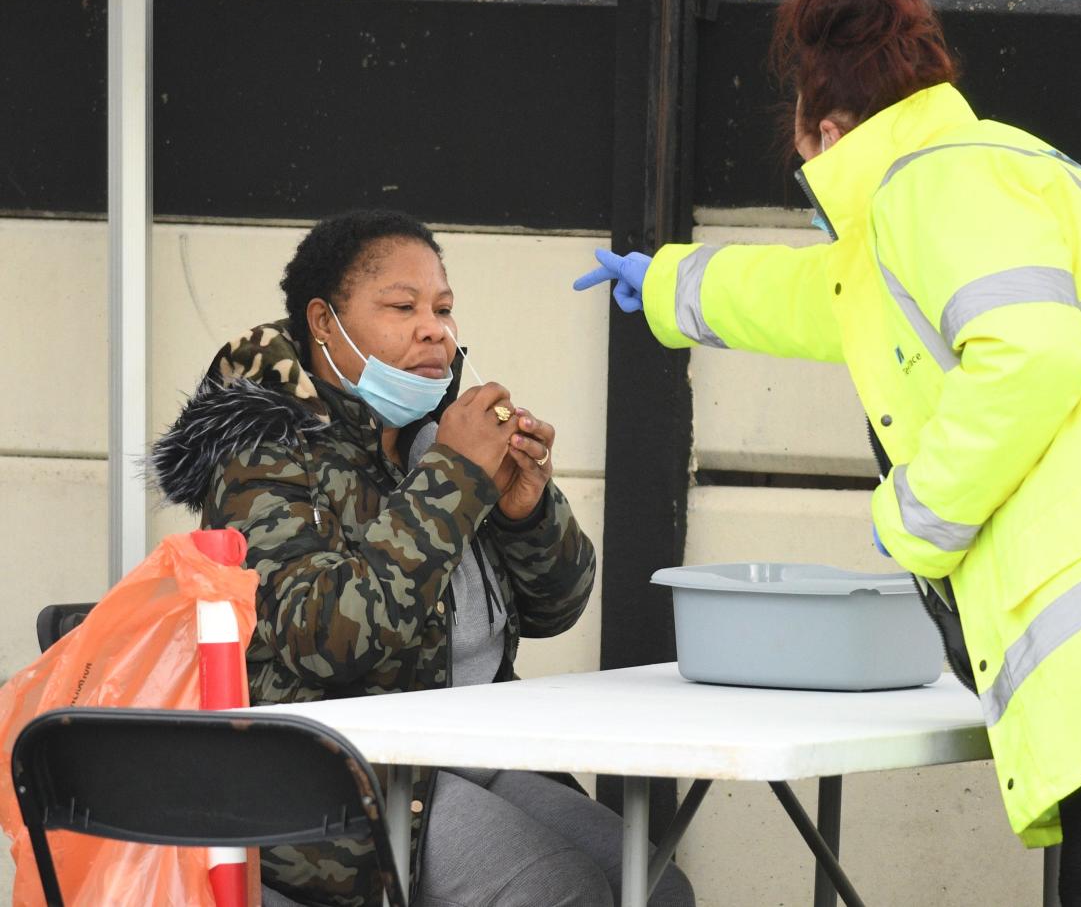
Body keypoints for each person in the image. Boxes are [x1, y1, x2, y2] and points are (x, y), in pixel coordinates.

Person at [574, 0, 1081, 906]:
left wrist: (920, 518)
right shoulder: (961, 172)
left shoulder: (936, 180)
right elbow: (824, 299)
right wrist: (665, 287)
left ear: (826, 127)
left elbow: (1029, 355)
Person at [154, 209, 695, 907]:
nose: (433, 328)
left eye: (443, 308)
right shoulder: (263, 449)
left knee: (655, 888)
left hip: (465, 745)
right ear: (324, 322)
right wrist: (454, 479)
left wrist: (527, 508)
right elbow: (325, 635)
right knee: (560, 892)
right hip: (327, 779)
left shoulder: (436, 431)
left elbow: (557, 605)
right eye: (401, 306)